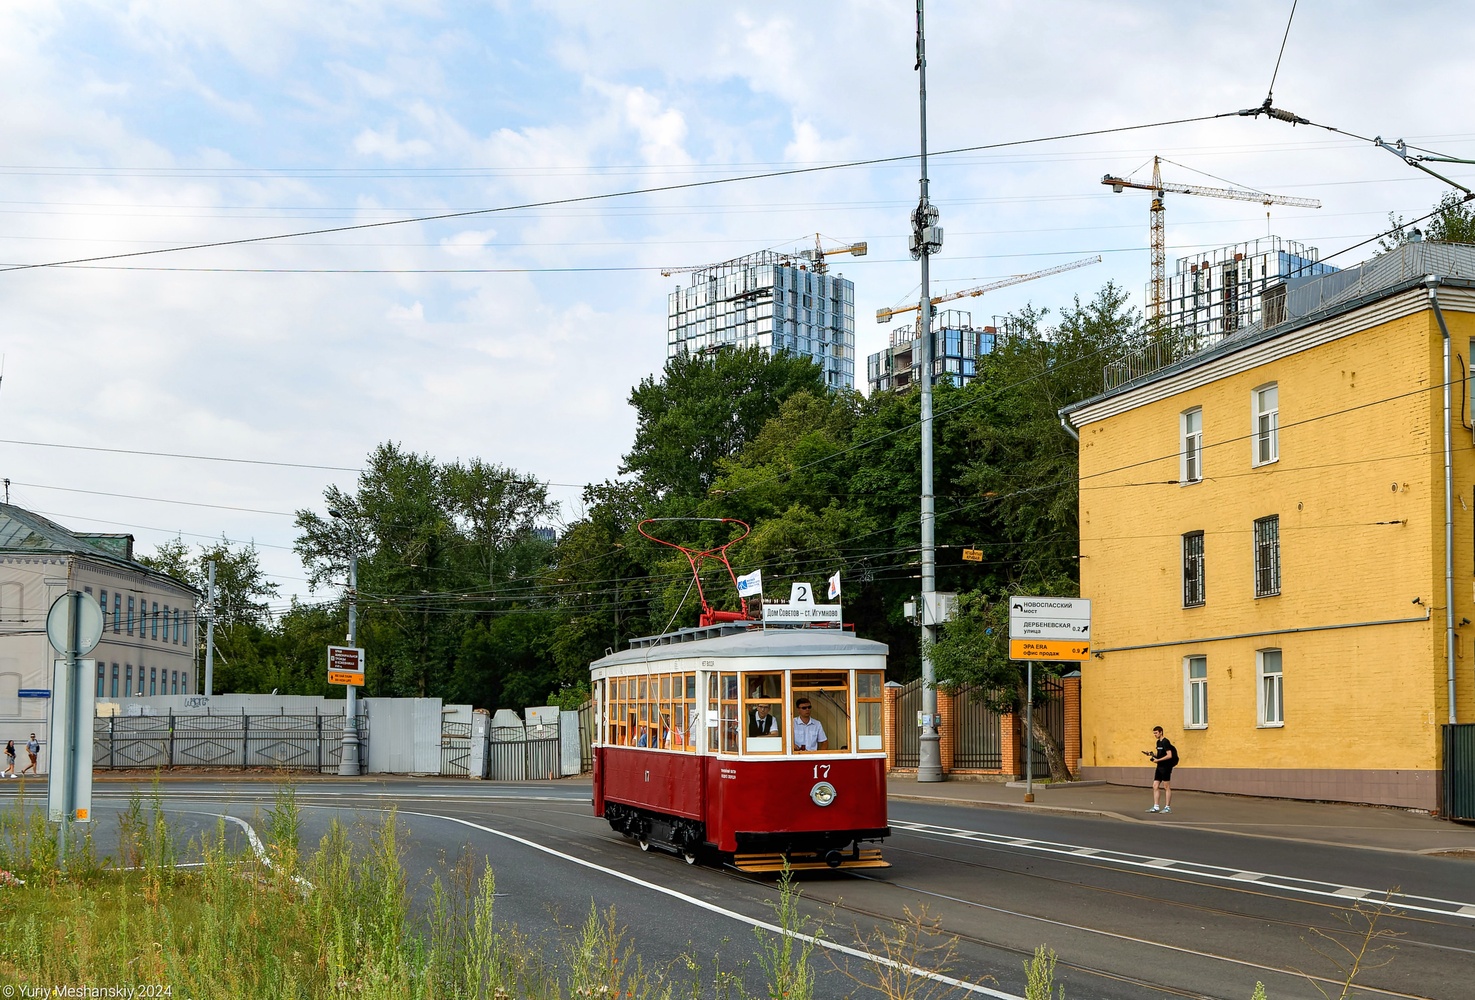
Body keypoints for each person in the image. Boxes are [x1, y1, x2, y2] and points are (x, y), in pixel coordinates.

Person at [1145, 726, 1177, 813]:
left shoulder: (1166, 742)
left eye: (1156, 733)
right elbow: (1160, 754)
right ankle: (1156, 806)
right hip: (1159, 767)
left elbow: (1169, 755)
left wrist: (1158, 760)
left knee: (1166, 786)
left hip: (1166, 767)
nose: (1155, 735)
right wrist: (1152, 754)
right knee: (1155, 785)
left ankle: (1167, 807)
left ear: (1161, 732)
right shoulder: (1158, 742)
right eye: (1154, 733)